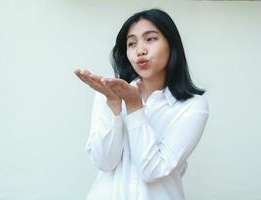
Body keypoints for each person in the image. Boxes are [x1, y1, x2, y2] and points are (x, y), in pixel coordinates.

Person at [74, 8, 209, 200]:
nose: (140, 50)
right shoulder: (109, 93)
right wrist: (113, 104)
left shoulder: (193, 105)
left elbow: (152, 170)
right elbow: (104, 162)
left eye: (150, 39)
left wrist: (134, 106)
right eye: (131, 43)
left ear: (172, 45)